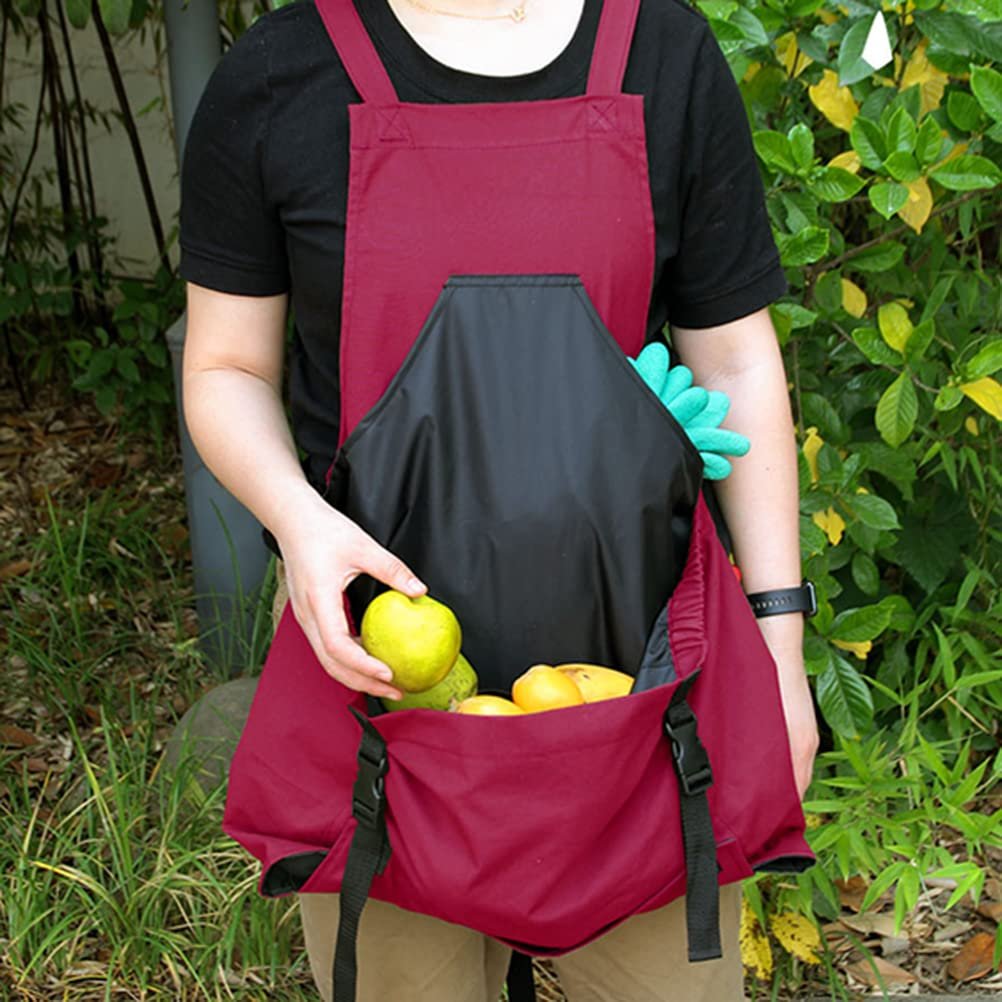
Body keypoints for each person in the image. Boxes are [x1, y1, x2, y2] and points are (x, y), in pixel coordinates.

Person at [179, 0, 819, 999]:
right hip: (379, 674)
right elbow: (224, 367)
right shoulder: (278, 75)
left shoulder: (663, 51)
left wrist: (781, 645)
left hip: (644, 674)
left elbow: (734, 353)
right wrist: (299, 525)